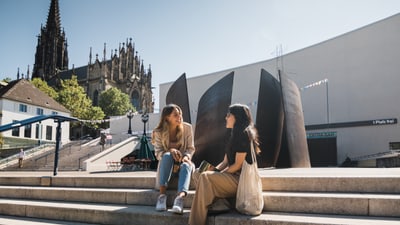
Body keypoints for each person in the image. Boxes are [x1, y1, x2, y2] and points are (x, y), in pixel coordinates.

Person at [189, 103, 261, 225]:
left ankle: (195, 222)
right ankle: (220, 204)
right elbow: (225, 162)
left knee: (206, 177)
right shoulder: (233, 135)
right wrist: (214, 170)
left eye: (229, 115)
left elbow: (237, 165)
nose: (226, 117)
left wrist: (217, 175)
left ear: (237, 117)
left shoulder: (244, 135)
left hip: (240, 180)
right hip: (230, 177)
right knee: (198, 172)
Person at [152, 104, 195, 214]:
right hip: (167, 165)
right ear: (167, 118)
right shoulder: (158, 132)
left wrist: (186, 157)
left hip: (183, 162)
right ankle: (162, 196)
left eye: (180, 114)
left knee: (186, 165)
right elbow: (158, 153)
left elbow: (190, 148)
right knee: (166, 156)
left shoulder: (187, 128)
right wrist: (170, 151)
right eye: (175, 115)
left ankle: (179, 199)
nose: (179, 117)